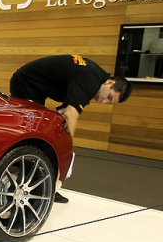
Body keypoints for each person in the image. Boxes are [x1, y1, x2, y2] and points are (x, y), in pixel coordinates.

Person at [10, 54, 133, 203]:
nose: (104, 102)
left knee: (46, 138)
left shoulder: (94, 79)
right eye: (109, 97)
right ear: (110, 82)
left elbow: (63, 113)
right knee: (33, 138)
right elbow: (70, 115)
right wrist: (67, 150)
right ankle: (25, 185)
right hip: (25, 82)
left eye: (109, 102)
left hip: (38, 88)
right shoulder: (90, 81)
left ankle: (46, 186)